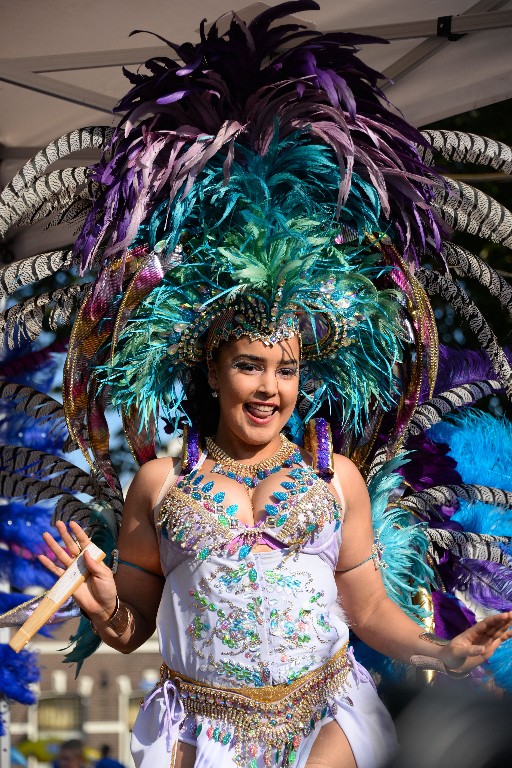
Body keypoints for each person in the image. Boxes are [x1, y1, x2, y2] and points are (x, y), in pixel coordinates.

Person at [6, 3, 511, 768]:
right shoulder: (157, 484)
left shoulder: (335, 479)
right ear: (212, 370)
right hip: (196, 731)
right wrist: (110, 608)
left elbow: (368, 609)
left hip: (328, 712)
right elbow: (135, 623)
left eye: (287, 368)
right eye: (250, 365)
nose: (271, 387)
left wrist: (443, 647)